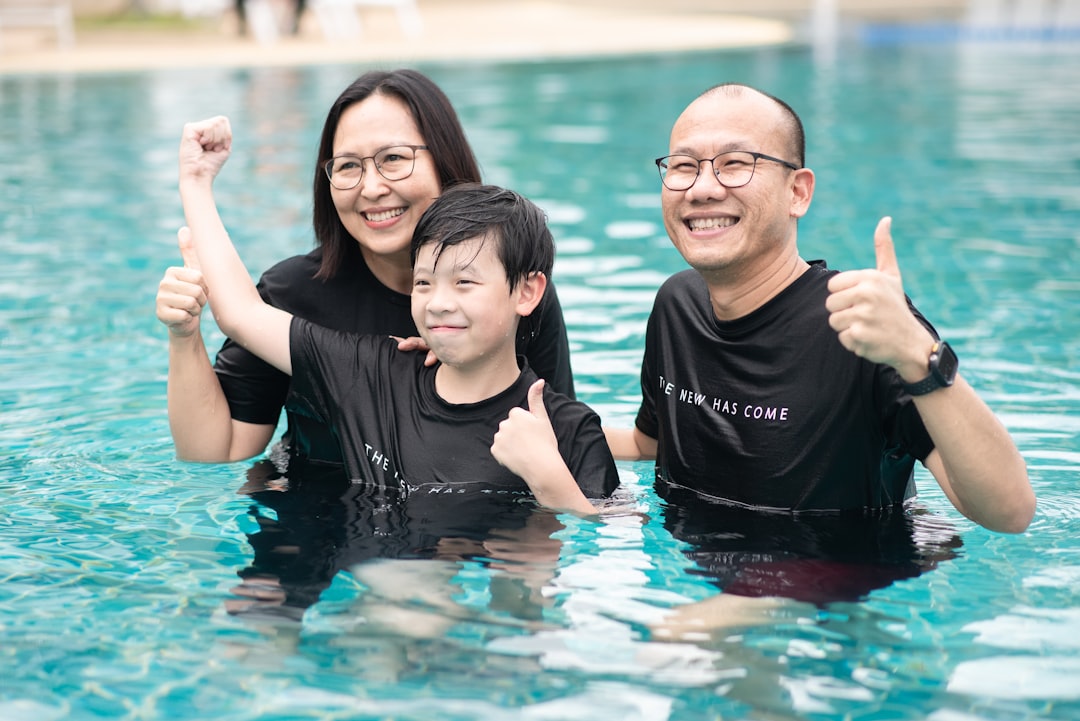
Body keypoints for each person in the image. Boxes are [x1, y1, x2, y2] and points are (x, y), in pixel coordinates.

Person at [604, 82, 1035, 535]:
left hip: (837, 577)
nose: (702, 188)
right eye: (684, 166)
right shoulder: (677, 304)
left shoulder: (860, 324)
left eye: (735, 164)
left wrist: (916, 354)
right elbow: (652, 441)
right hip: (698, 558)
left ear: (798, 193)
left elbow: (1009, 512)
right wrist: (549, 429)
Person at [178, 114, 618, 514]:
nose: (440, 301)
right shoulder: (370, 373)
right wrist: (196, 182)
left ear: (526, 293)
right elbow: (239, 313)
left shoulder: (568, 430)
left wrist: (553, 484)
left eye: (463, 282)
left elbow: (613, 529)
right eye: (422, 283)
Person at [156, 69, 576, 467]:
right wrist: (184, 336)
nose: (372, 188)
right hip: (312, 516)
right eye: (348, 166)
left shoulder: (508, 290)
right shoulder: (292, 293)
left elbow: (556, 438)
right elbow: (215, 449)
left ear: (445, 162)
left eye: (393, 158)